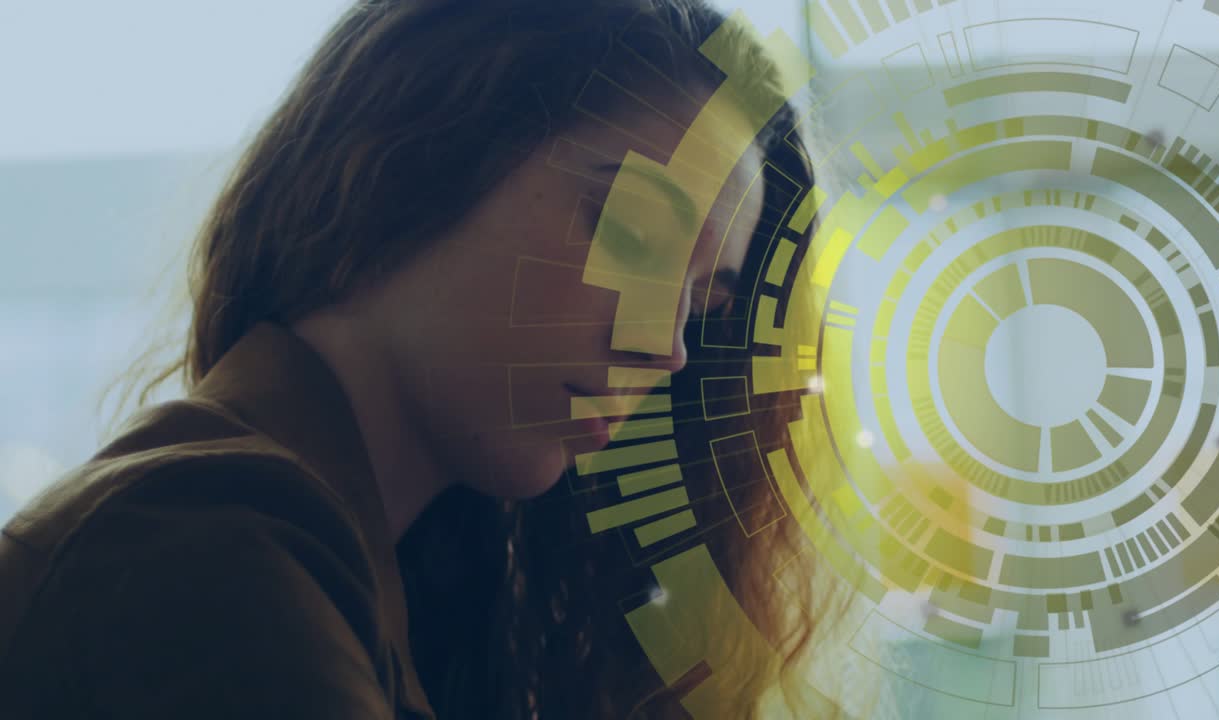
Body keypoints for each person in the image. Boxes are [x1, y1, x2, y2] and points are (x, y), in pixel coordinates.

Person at [0, 1, 823, 717]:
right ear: (411, 160)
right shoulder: (208, 551)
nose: (666, 347)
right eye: (634, 234)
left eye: (701, 303)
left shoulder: (350, 576)